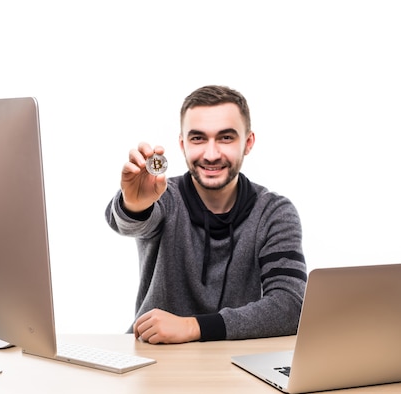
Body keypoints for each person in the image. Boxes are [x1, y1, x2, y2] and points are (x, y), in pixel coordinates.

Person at [105, 85, 307, 344]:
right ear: (182, 144)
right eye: (198, 138)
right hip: (153, 358)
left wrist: (194, 327)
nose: (211, 155)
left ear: (248, 143)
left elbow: (291, 306)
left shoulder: (274, 213)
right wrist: (134, 204)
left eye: (225, 138)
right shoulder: (163, 196)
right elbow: (128, 224)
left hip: (236, 366)